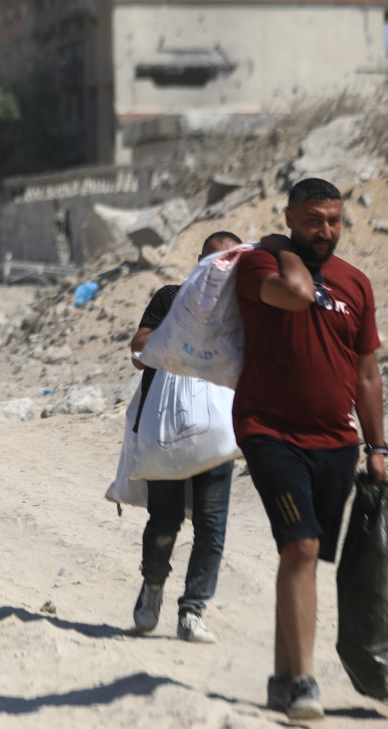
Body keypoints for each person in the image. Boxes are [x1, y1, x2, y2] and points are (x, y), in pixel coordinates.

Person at [235, 178, 387, 720]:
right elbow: (296, 295)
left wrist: (378, 446)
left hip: (338, 442)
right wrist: (278, 247)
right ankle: (303, 682)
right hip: (268, 430)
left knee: (304, 558)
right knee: (299, 548)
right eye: (313, 221)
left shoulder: (357, 284)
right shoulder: (259, 267)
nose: (325, 231)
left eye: (334, 221)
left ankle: (281, 677)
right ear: (290, 218)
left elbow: (367, 374)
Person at [128, 230, 242, 643]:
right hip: (168, 428)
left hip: (219, 432)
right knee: (165, 520)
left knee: (212, 526)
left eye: (229, 261)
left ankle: (192, 610)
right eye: (212, 261)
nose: (219, 269)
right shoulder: (170, 298)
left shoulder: (244, 309)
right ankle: (153, 586)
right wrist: (185, 331)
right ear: (198, 263)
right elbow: (139, 351)